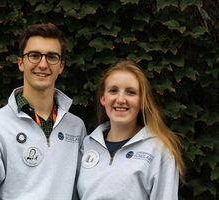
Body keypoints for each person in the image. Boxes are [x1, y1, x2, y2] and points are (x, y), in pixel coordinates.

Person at [0, 23, 87, 199]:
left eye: (52, 57)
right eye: (34, 56)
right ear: (21, 63)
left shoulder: (76, 127)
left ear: (61, 66)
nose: (43, 64)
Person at [77, 60, 186, 200]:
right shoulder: (87, 145)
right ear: (103, 99)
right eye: (113, 90)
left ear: (141, 101)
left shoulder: (159, 150)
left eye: (130, 92)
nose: (121, 99)